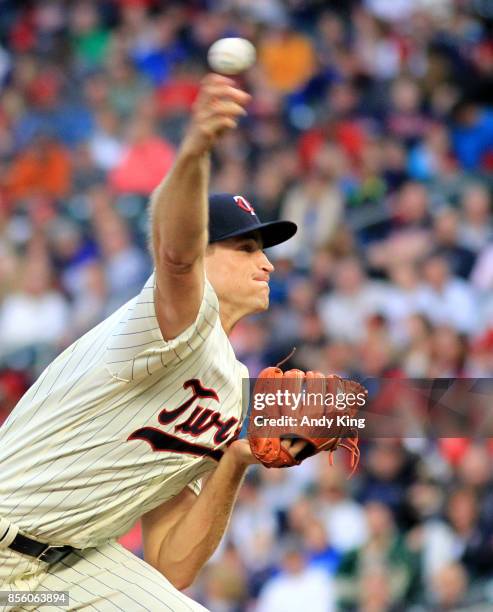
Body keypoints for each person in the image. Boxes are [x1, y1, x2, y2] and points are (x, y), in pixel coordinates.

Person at [0, 74, 303, 611]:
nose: (267, 262)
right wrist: (194, 151)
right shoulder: (172, 323)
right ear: (206, 256)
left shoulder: (234, 392)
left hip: (74, 565)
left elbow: (169, 563)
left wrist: (234, 461)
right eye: (247, 247)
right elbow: (175, 253)